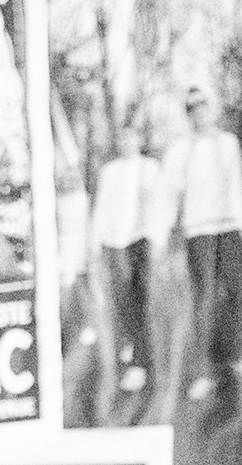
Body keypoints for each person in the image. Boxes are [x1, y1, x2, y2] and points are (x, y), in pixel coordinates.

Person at [170, 83, 242, 409]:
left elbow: (237, 188)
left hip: (229, 228)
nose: (199, 113)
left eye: (203, 106)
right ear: (188, 115)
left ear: (212, 108)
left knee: (238, 292)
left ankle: (238, 356)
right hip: (199, 232)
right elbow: (172, 192)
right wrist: (166, 236)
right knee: (204, 299)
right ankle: (204, 371)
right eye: (192, 109)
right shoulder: (181, 149)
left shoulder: (229, 143)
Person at [90, 108, 165, 400]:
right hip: (116, 242)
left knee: (143, 299)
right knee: (124, 301)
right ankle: (134, 357)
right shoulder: (109, 171)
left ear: (138, 141)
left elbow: (158, 206)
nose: (126, 143)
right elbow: (102, 209)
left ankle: (146, 362)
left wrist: (156, 239)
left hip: (141, 240)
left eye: (131, 138)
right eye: (122, 139)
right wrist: (96, 242)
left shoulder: (150, 168)